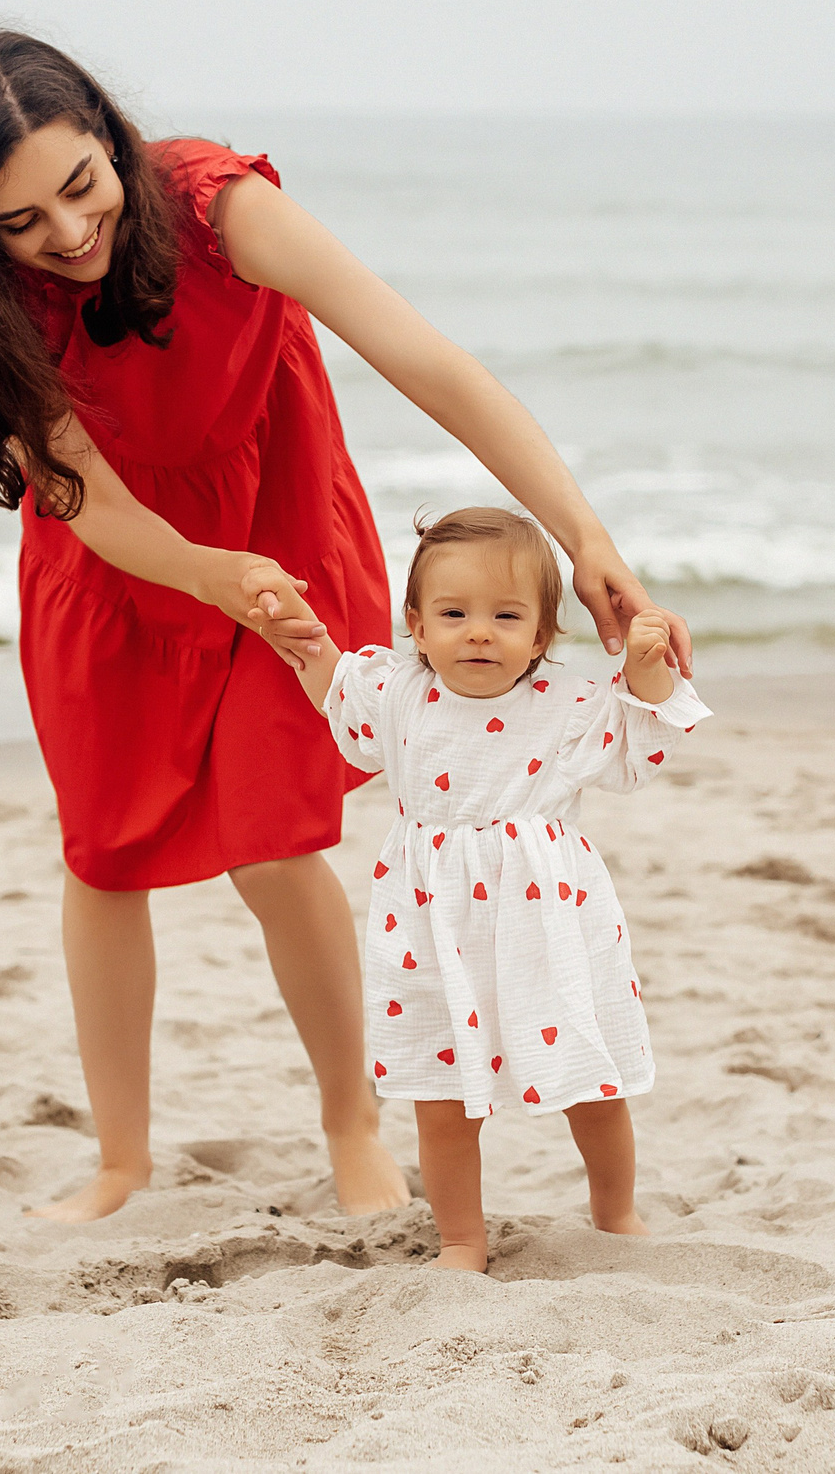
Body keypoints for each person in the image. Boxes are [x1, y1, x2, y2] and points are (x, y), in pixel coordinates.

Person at [0, 30, 693, 1223]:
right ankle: (121, 1159)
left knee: (275, 843)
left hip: (274, 524)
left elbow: (427, 362)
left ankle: (349, 1127)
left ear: (112, 141)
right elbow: (93, 507)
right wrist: (205, 575)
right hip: (121, 574)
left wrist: (582, 536)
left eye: (80, 187)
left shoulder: (224, 210)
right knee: (104, 854)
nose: (67, 236)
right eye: (21, 223)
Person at [270, 507, 707, 1271]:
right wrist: (301, 635)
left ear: (541, 634)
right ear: (416, 624)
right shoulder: (399, 689)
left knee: (591, 1082)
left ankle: (616, 1209)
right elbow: (330, 679)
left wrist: (645, 664)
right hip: (433, 924)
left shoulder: (565, 701)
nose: (479, 632)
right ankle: (463, 1238)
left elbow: (636, 735)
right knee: (441, 1096)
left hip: (547, 919)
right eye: (454, 613)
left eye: (507, 616)